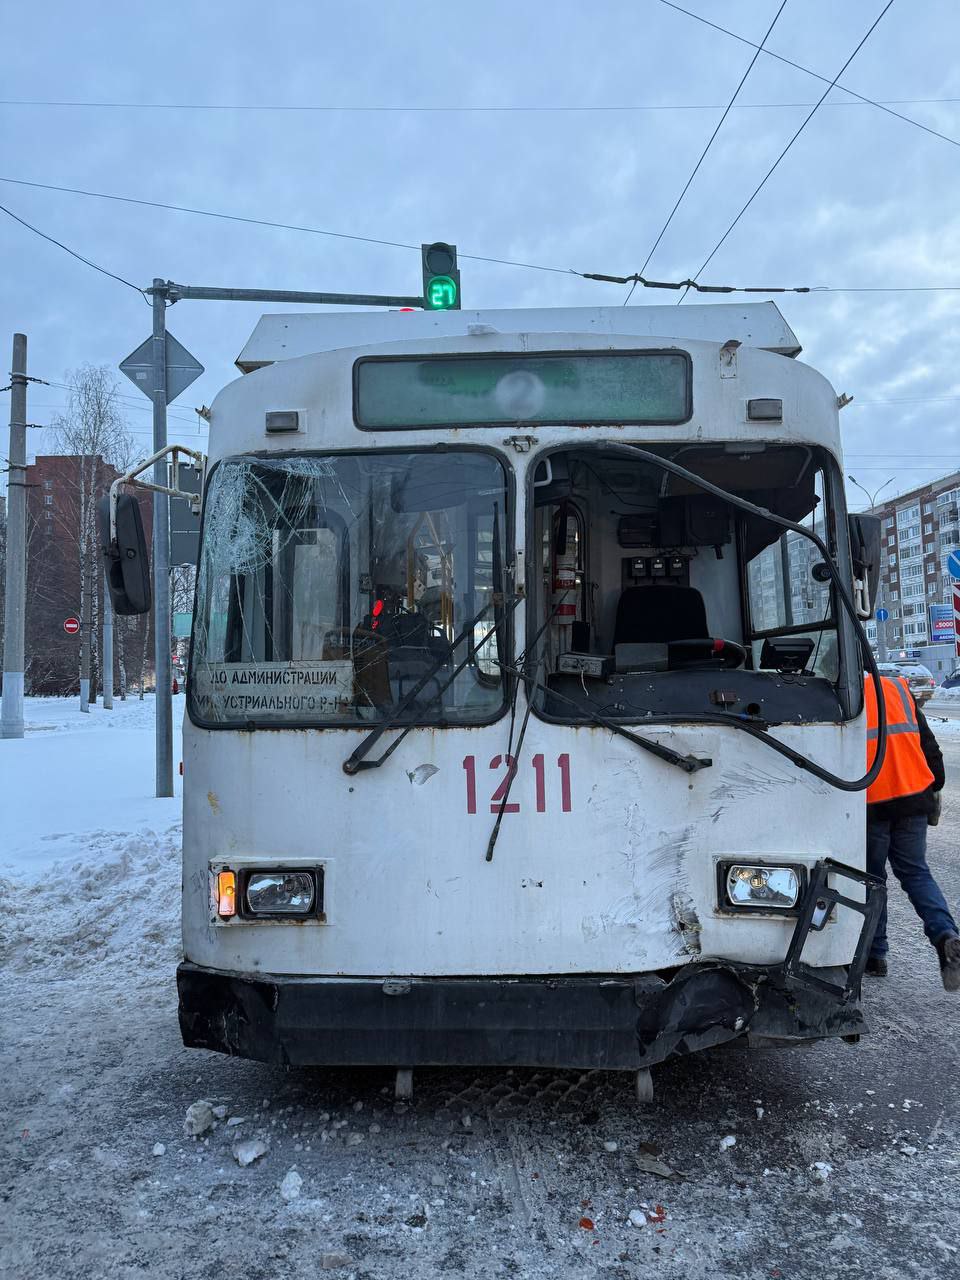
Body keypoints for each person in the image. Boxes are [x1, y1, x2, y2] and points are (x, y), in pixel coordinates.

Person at [865, 672, 960, 991]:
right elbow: (928, 744)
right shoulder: (896, 687)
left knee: (872, 880)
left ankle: (875, 955)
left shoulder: (840, 692)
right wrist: (933, 787)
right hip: (913, 794)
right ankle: (945, 935)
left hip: (871, 801)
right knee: (916, 874)